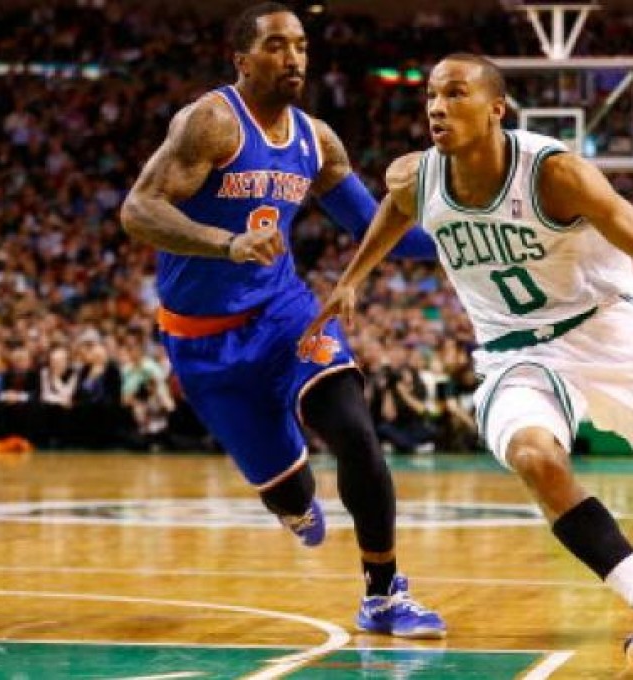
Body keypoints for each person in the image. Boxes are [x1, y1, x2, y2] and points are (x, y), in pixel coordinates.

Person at [301, 53, 633, 675]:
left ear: (496, 109)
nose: (437, 108)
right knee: (534, 455)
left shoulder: (556, 175)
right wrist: (351, 280)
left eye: (455, 94)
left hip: (606, 333)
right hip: (515, 352)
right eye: (431, 97)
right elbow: (393, 213)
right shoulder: (415, 177)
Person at [120, 2, 444, 638]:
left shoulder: (317, 141)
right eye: (275, 45)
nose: (292, 56)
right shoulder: (210, 123)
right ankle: (291, 500)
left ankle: (383, 595)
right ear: (243, 59)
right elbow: (138, 210)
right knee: (292, 498)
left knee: (355, 430)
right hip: (204, 345)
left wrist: (471, 234)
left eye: (299, 45)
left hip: (285, 314)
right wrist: (225, 242)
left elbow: (378, 230)